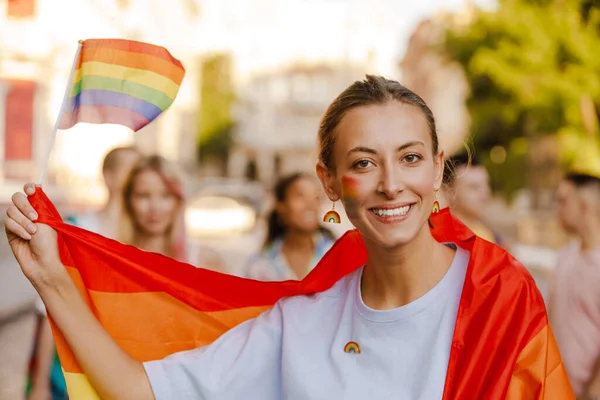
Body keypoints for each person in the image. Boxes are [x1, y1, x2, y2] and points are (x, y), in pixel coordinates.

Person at [4, 75, 573, 399]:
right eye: (364, 163)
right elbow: (142, 390)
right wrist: (52, 280)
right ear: (330, 181)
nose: (392, 184)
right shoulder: (301, 321)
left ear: (437, 168)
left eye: (411, 158)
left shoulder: (500, 296)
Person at [27, 145, 140, 400]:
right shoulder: (77, 229)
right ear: (108, 176)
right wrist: (39, 384)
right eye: (129, 170)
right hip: (66, 369)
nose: (136, 177)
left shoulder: (143, 238)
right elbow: (48, 308)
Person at [120, 154, 226, 272]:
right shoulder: (115, 260)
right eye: (143, 196)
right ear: (128, 200)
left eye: (166, 196)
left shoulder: (205, 261)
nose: (154, 207)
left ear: (178, 201)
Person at [550, 171, 600, 399]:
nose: (556, 209)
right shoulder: (566, 255)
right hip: (554, 387)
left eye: (563, 201)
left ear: (585, 206)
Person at [244, 172, 335, 281]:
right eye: (300, 196)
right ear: (281, 207)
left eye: (316, 197)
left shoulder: (336, 256)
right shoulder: (260, 264)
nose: (310, 204)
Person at [441, 151, 508, 247]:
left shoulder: (487, 230)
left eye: (486, 185)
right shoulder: (442, 242)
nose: (485, 193)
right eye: (474, 187)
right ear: (448, 192)